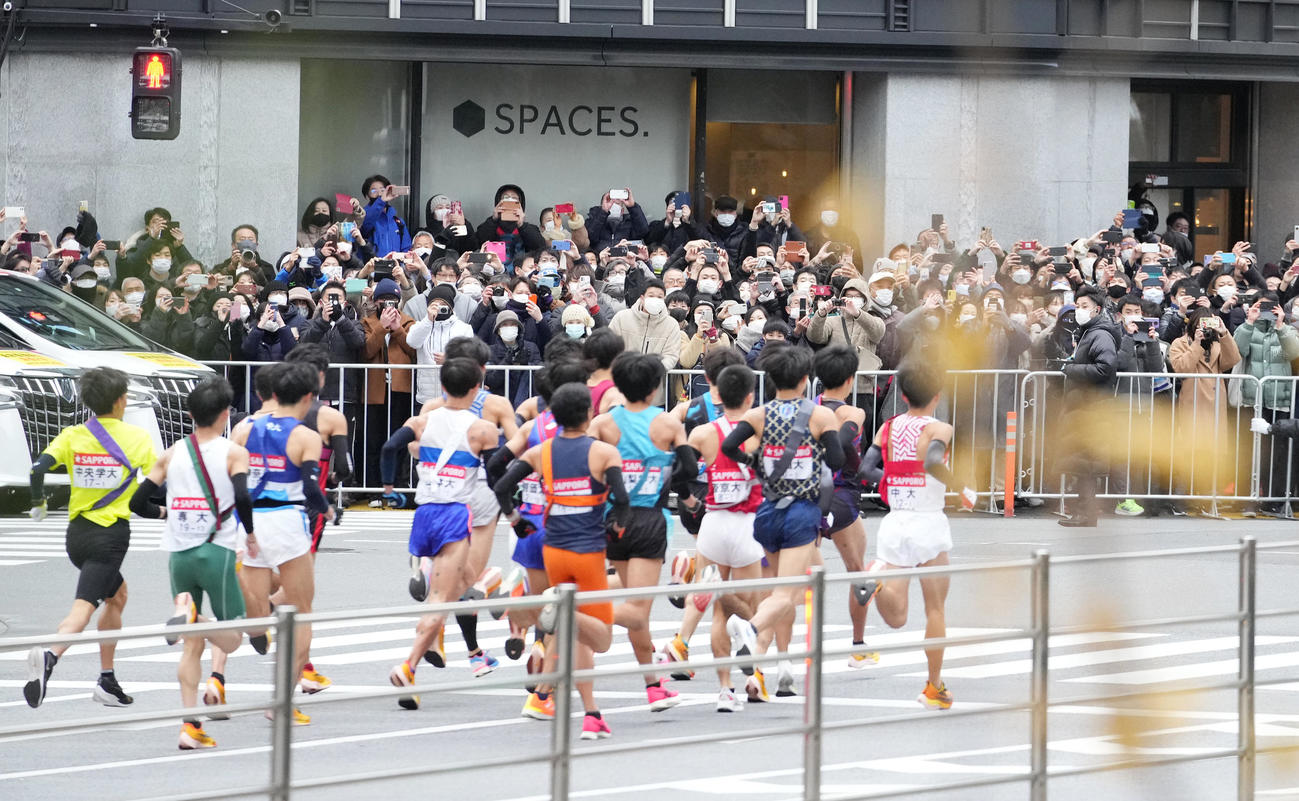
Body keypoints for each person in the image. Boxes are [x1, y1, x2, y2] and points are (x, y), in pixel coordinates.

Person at [494, 383, 630, 740]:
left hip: (554, 549)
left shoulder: (542, 452)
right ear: (589, 415)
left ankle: (591, 713)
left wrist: (515, 520)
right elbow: (623, 500)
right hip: (587, 552)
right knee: (600, 638)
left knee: (576, 636)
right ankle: (545, 607)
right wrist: (615, 531)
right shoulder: (603, 453)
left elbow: (501, 486)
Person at [128, 377, 255, 750]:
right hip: (217, 549)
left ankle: (189, 725)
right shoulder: (234, 453)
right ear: (225, 414)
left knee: (190, 646)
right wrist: (248, 533)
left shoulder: (171, 454)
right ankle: (195, 620)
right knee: (230, 638)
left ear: (190, 414)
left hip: (179, 553)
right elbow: (243, 495)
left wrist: (166, 511)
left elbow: (138, 503)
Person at [23, 367, 157, 710]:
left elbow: (37, 470)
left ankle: (107, 679)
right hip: (109, 538)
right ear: (120, 400)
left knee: (118, 595)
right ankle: (51, 656)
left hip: (77, 535)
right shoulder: (137, 439)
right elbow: (157, 484)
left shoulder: (73, 435)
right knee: (83, 607)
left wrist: (38, 503)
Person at [719, 345, 845, 700]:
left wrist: (755, 462)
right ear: (806, 379)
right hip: (801, 512)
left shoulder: (758, 414)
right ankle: (750, 629)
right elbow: (836, 460)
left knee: (779, 592)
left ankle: (768, 665)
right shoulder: (820, 416)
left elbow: (729, 446)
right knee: (786, 594)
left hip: (767, 510)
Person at [384, 358, 506, 708]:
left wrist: (390, 487)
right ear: (476, 387)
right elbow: (496, 474)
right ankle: (408, 666)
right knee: (443, 595)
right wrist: (510, 506)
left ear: (442, 385)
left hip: (424, 512)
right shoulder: (483, 429)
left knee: (451, 588)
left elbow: (390, 447)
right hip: (455, 514)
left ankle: (465, 650)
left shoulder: (422, 419)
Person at [856, 362, 979, 711]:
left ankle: (875, 577)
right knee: (935, 608)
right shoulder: (940, 427)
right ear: (937, 396)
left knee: (896, 616)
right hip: (928, 521)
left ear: (904, 395)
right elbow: (933, 463)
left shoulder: (889, 428)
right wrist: (963, 489)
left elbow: (866, 469)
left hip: (895, 521)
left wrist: (891, 480)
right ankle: (933, 685)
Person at [589, 353, 696, 712]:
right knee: (636, 610)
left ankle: (653, 684)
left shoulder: (603, 423)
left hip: (612, 518)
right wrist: (667, 473)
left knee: (639, 609)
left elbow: (588, 463)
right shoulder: (666, 424)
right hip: (650, 518)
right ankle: (572, 610)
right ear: (654, 389)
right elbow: (690, 466)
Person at [231, 362, 334, 725]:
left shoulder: (246, 429)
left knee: (256, 613)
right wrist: (328, 510)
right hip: (288, 521)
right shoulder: (305, 436)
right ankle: (281, 702)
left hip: (252, 521)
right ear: (307, 397)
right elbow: (310, 488)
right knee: (303, 609)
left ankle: (226, 605)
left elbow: (235, 481)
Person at [412, 336, 519, 678]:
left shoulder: (431, 407)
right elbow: (515, 445)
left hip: (439, 489)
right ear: (482, 371)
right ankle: (488, 585)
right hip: (484, 487)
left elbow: (415, 444)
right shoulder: (497, 405)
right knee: (467, 578)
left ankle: (452, 644)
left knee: (449, 577)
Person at [685, 363, 764, 712]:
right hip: (747, 522)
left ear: (717, 393)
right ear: (750, 396)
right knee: (752, 610)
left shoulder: (703, 433)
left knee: (719, 612)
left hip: (713, 521)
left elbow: (683, 469)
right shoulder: (760, 430)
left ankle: (724, 690)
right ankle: (754, 678)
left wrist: (690, 500)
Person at [813, 345, 880, 669]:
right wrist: (851, 462)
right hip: (842, 497)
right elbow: (840, 443)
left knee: (797, 576)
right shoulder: (853, 413)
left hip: (808, 494)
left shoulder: (808, 408)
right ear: (851, 379)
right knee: (859, 572)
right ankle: (858, 645)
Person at [1057, 285, 1120, 527]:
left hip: (1091, 408)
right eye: (1077, 306)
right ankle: (1083, 512)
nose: (1080, 311)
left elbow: (1105, 368)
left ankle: (1086, 513)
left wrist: (1071, 369)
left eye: (1085, 306)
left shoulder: (1099, 334)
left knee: (1086, 464)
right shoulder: (1088, 333)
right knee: (1082, 464)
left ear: (1097, 309)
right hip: (1084, 408)